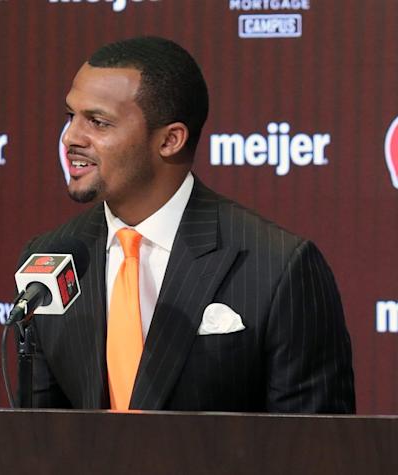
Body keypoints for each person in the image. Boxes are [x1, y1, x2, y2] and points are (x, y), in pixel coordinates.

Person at [21, 36, 355, 412]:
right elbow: (39, 441)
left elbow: (315, 449)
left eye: (98, 122)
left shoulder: (279, 266)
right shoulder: (52, 257)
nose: (70, 138)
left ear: (170, 140)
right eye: (71, 117)